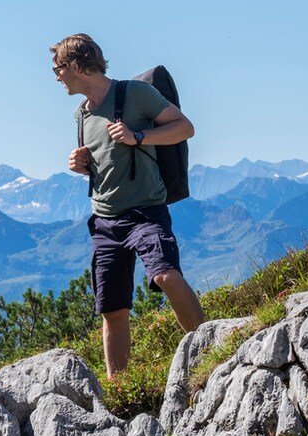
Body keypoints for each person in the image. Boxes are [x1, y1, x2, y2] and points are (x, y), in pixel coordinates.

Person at [50, 33, 205, 379]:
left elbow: (185, 128)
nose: (57, 77)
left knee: (165, 274)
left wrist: (139, 137)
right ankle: (119, 386)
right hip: (104, 220)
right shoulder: (81, 114)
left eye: (58, 69)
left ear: (76, 66)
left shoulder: (135, 94)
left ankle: (209, 347)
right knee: (112, 309)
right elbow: (105, 159)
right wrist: (81, 165)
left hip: (145, 212)